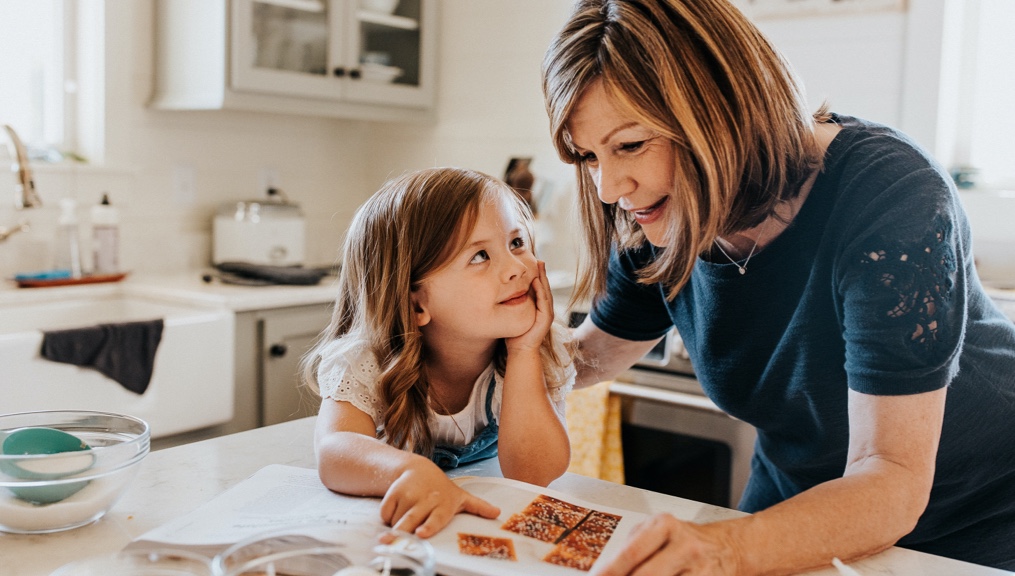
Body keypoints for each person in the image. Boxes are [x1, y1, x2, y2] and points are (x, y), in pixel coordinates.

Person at [541, 0, 1015, 573]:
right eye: (588, 156)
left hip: (978, 507)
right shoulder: (655, 216)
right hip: (805, 487)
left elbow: (890, 476)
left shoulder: (893, 196)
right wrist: (482, 344)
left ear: (720, 107)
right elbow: (589, 358)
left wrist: (726, 548)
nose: (610, 187)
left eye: (632, 144)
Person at [303, 167, 575, 539]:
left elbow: (534, 475)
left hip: (485, 519)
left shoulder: (540, 350)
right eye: (480, 256)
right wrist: (406, 471)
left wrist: (525, 351)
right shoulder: (367, 361)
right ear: (416, 305)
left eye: (516, 243)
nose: (517, 268)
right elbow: (335, 452)